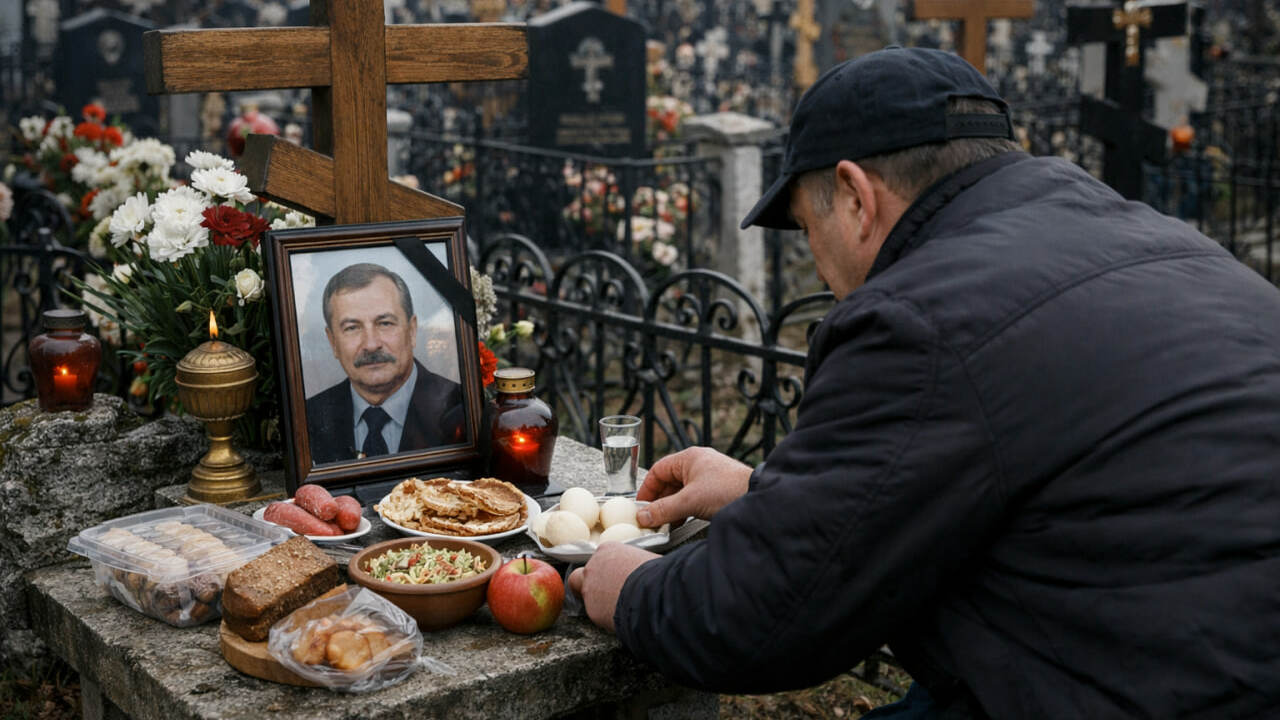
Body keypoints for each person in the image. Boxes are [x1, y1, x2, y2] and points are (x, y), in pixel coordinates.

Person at [568, 46, 1280, 718]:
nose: (816, 263)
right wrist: (765, 494)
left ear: (853, 196)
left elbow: (760, 614)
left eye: (804, 227)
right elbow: (1047, 462)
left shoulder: (918, 317)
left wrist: (629, 589)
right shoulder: (1159, 240)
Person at [306, 263, 464, 464]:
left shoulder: (458, 407)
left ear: (412, 330)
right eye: (352, 328)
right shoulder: (308, 418)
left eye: (385, 323)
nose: (371, 345)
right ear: (333, 342)